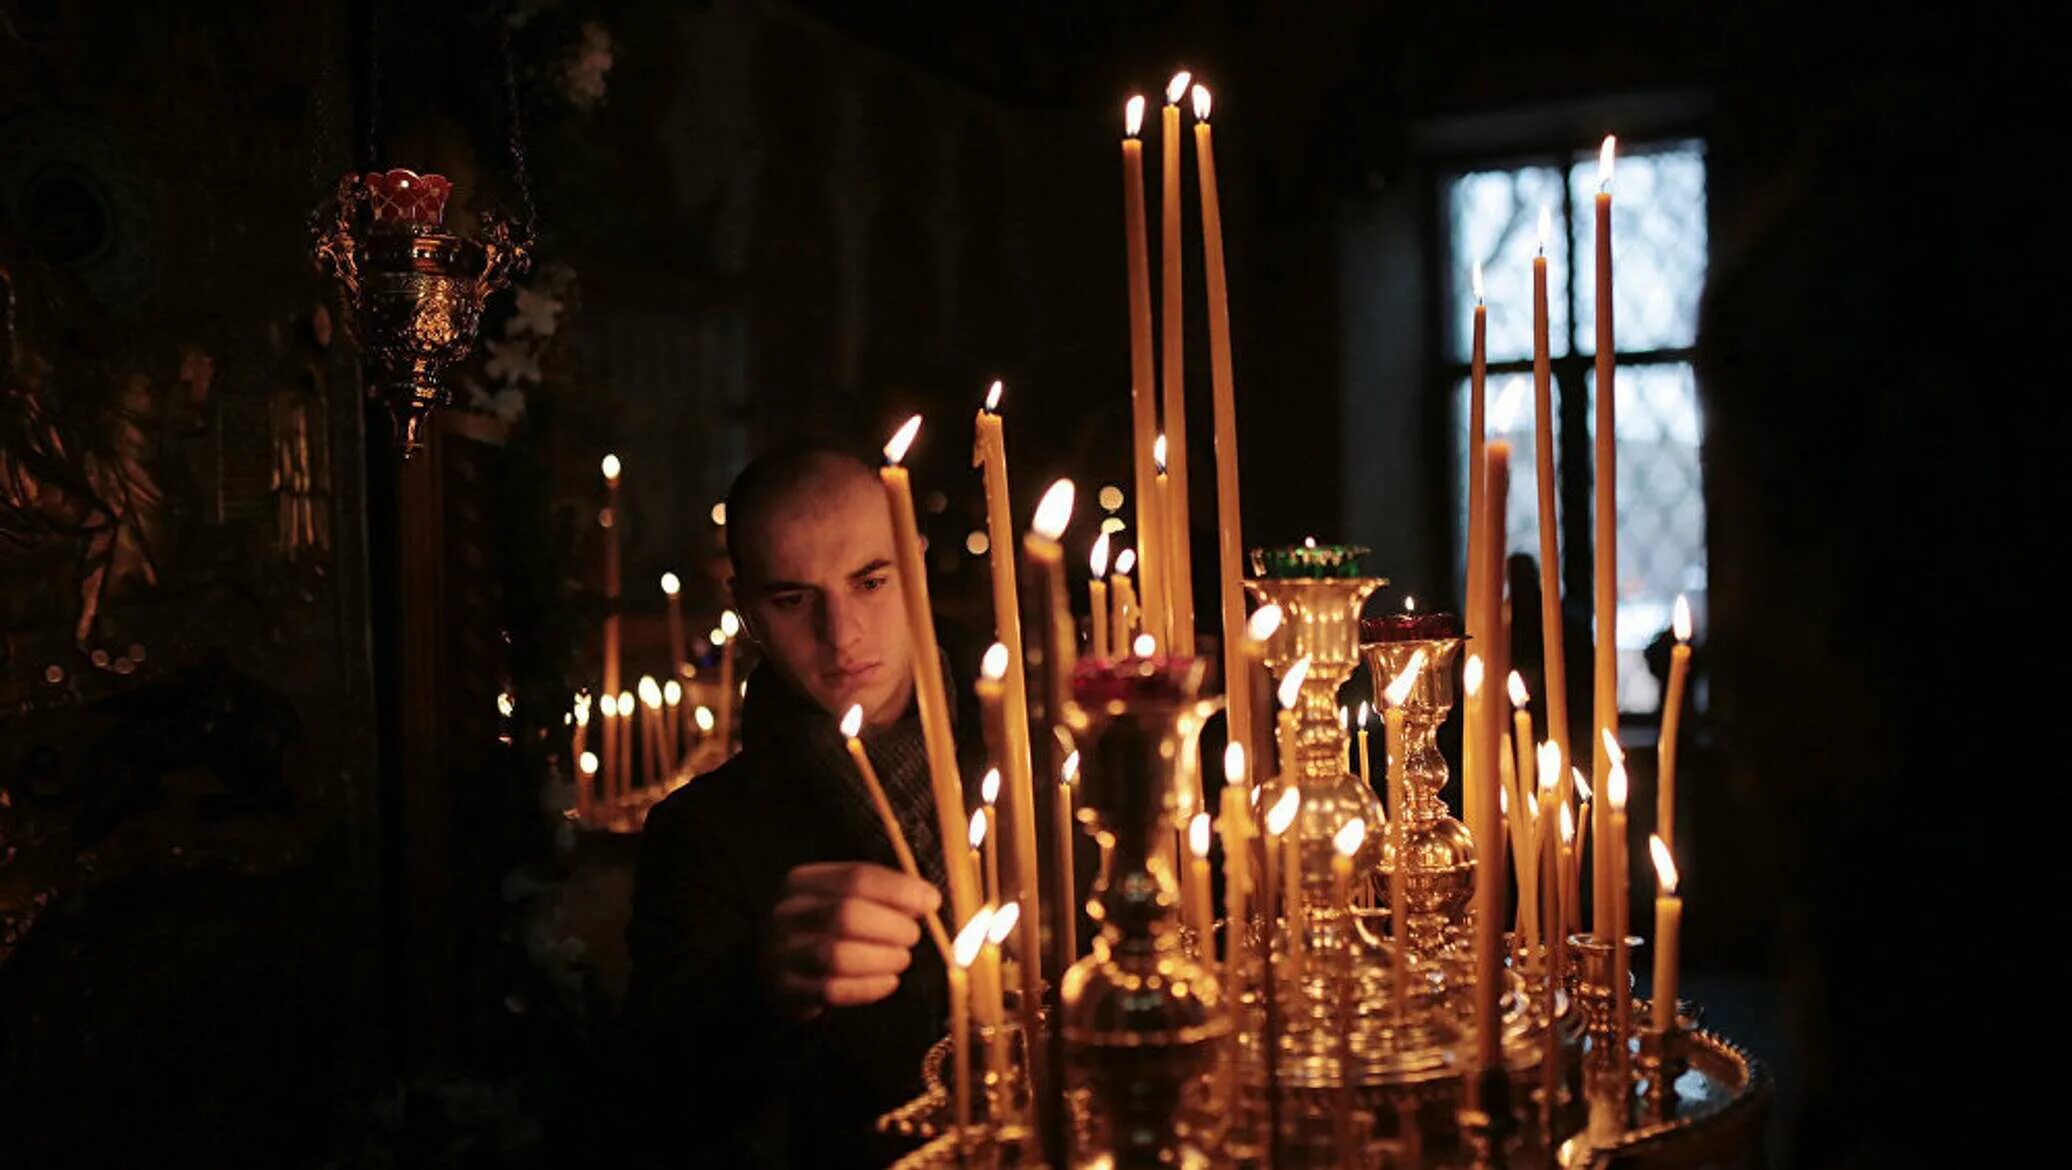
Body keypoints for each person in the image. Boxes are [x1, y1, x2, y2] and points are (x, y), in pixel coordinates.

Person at [623, 440, 973, 1168]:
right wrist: (761, 993)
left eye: (870, 582)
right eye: (793, 600)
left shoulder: (1044, 772)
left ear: (913, 563)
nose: (841, 636)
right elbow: (663, 1107)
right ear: (746, 610)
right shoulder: (701, 834)